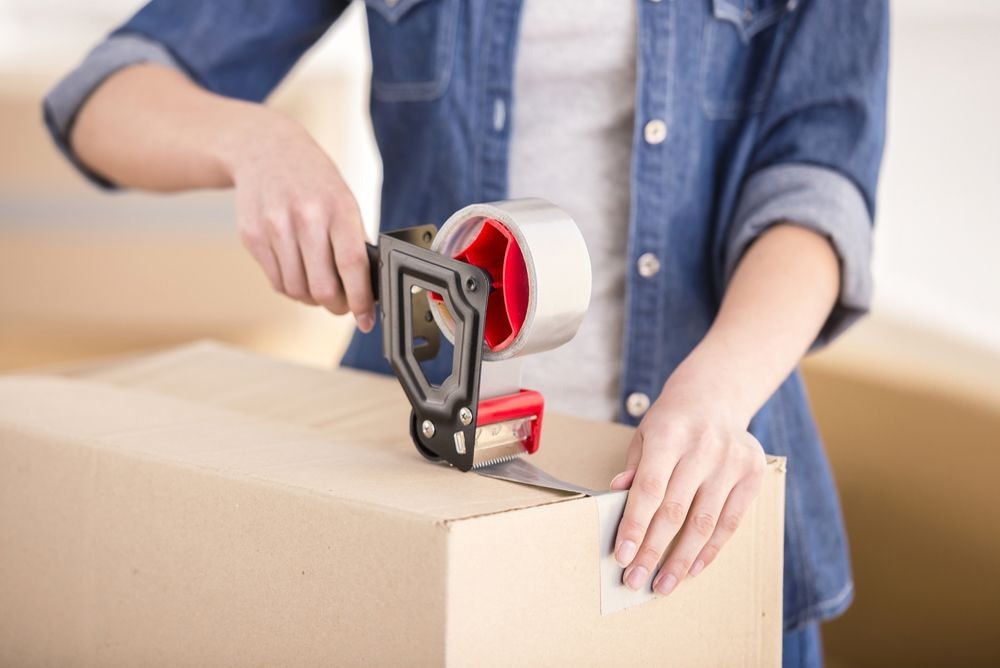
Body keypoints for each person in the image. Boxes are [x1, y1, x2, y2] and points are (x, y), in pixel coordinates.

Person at [44, 1, 887, 665]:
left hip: (691, 487)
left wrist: (715, 396)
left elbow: (816, 181)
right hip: (414, 491)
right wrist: (254, 140)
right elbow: (103, 94)